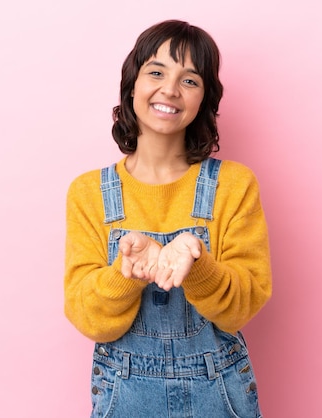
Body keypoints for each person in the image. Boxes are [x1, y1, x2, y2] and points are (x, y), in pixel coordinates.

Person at [64, 19, 272, 418]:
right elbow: (89, 318)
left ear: (204, 99)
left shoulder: (234, 185)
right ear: (132, 84)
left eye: (190, 80)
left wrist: (197, 265)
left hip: (219, 393)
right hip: (124, 395)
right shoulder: (88, 193)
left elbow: (242, 307)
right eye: (156, 72)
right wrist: (126, 272)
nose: (170, 90)